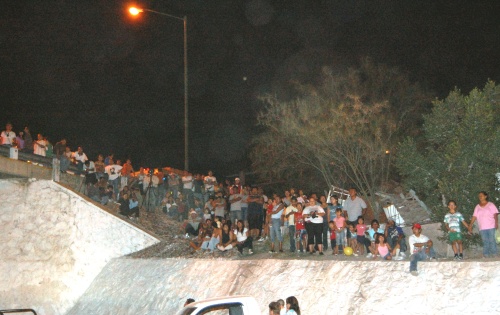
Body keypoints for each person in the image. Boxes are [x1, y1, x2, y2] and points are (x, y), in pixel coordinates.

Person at [469, 191, 499, 258]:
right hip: (482, 227)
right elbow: (474, 216)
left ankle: (494, 254)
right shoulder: (477, 206)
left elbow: (495, 214)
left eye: (481, 195)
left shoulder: (491, 204)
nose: (480, 197)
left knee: (492, 240)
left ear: (485, 196)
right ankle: (486, 255)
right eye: (479, 196)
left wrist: (496, 223)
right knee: (485, 241)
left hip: (491, 225)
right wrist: (470, 225)